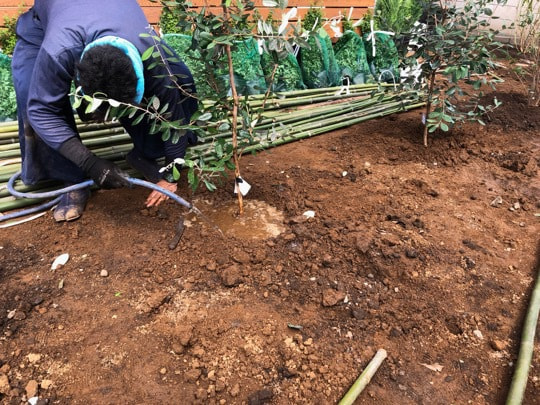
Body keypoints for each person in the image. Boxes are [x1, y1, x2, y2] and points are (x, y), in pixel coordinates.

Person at [12, 0, 198, 222]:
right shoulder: (59, 51)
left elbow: (174, 119)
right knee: (30, 94)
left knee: (181, 83)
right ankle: (72, 179)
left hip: (112, 22)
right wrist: (89, 163)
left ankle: (147, 151)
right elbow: (41, 111)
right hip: (47, 24)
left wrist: (170, 175)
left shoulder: (153, 56)